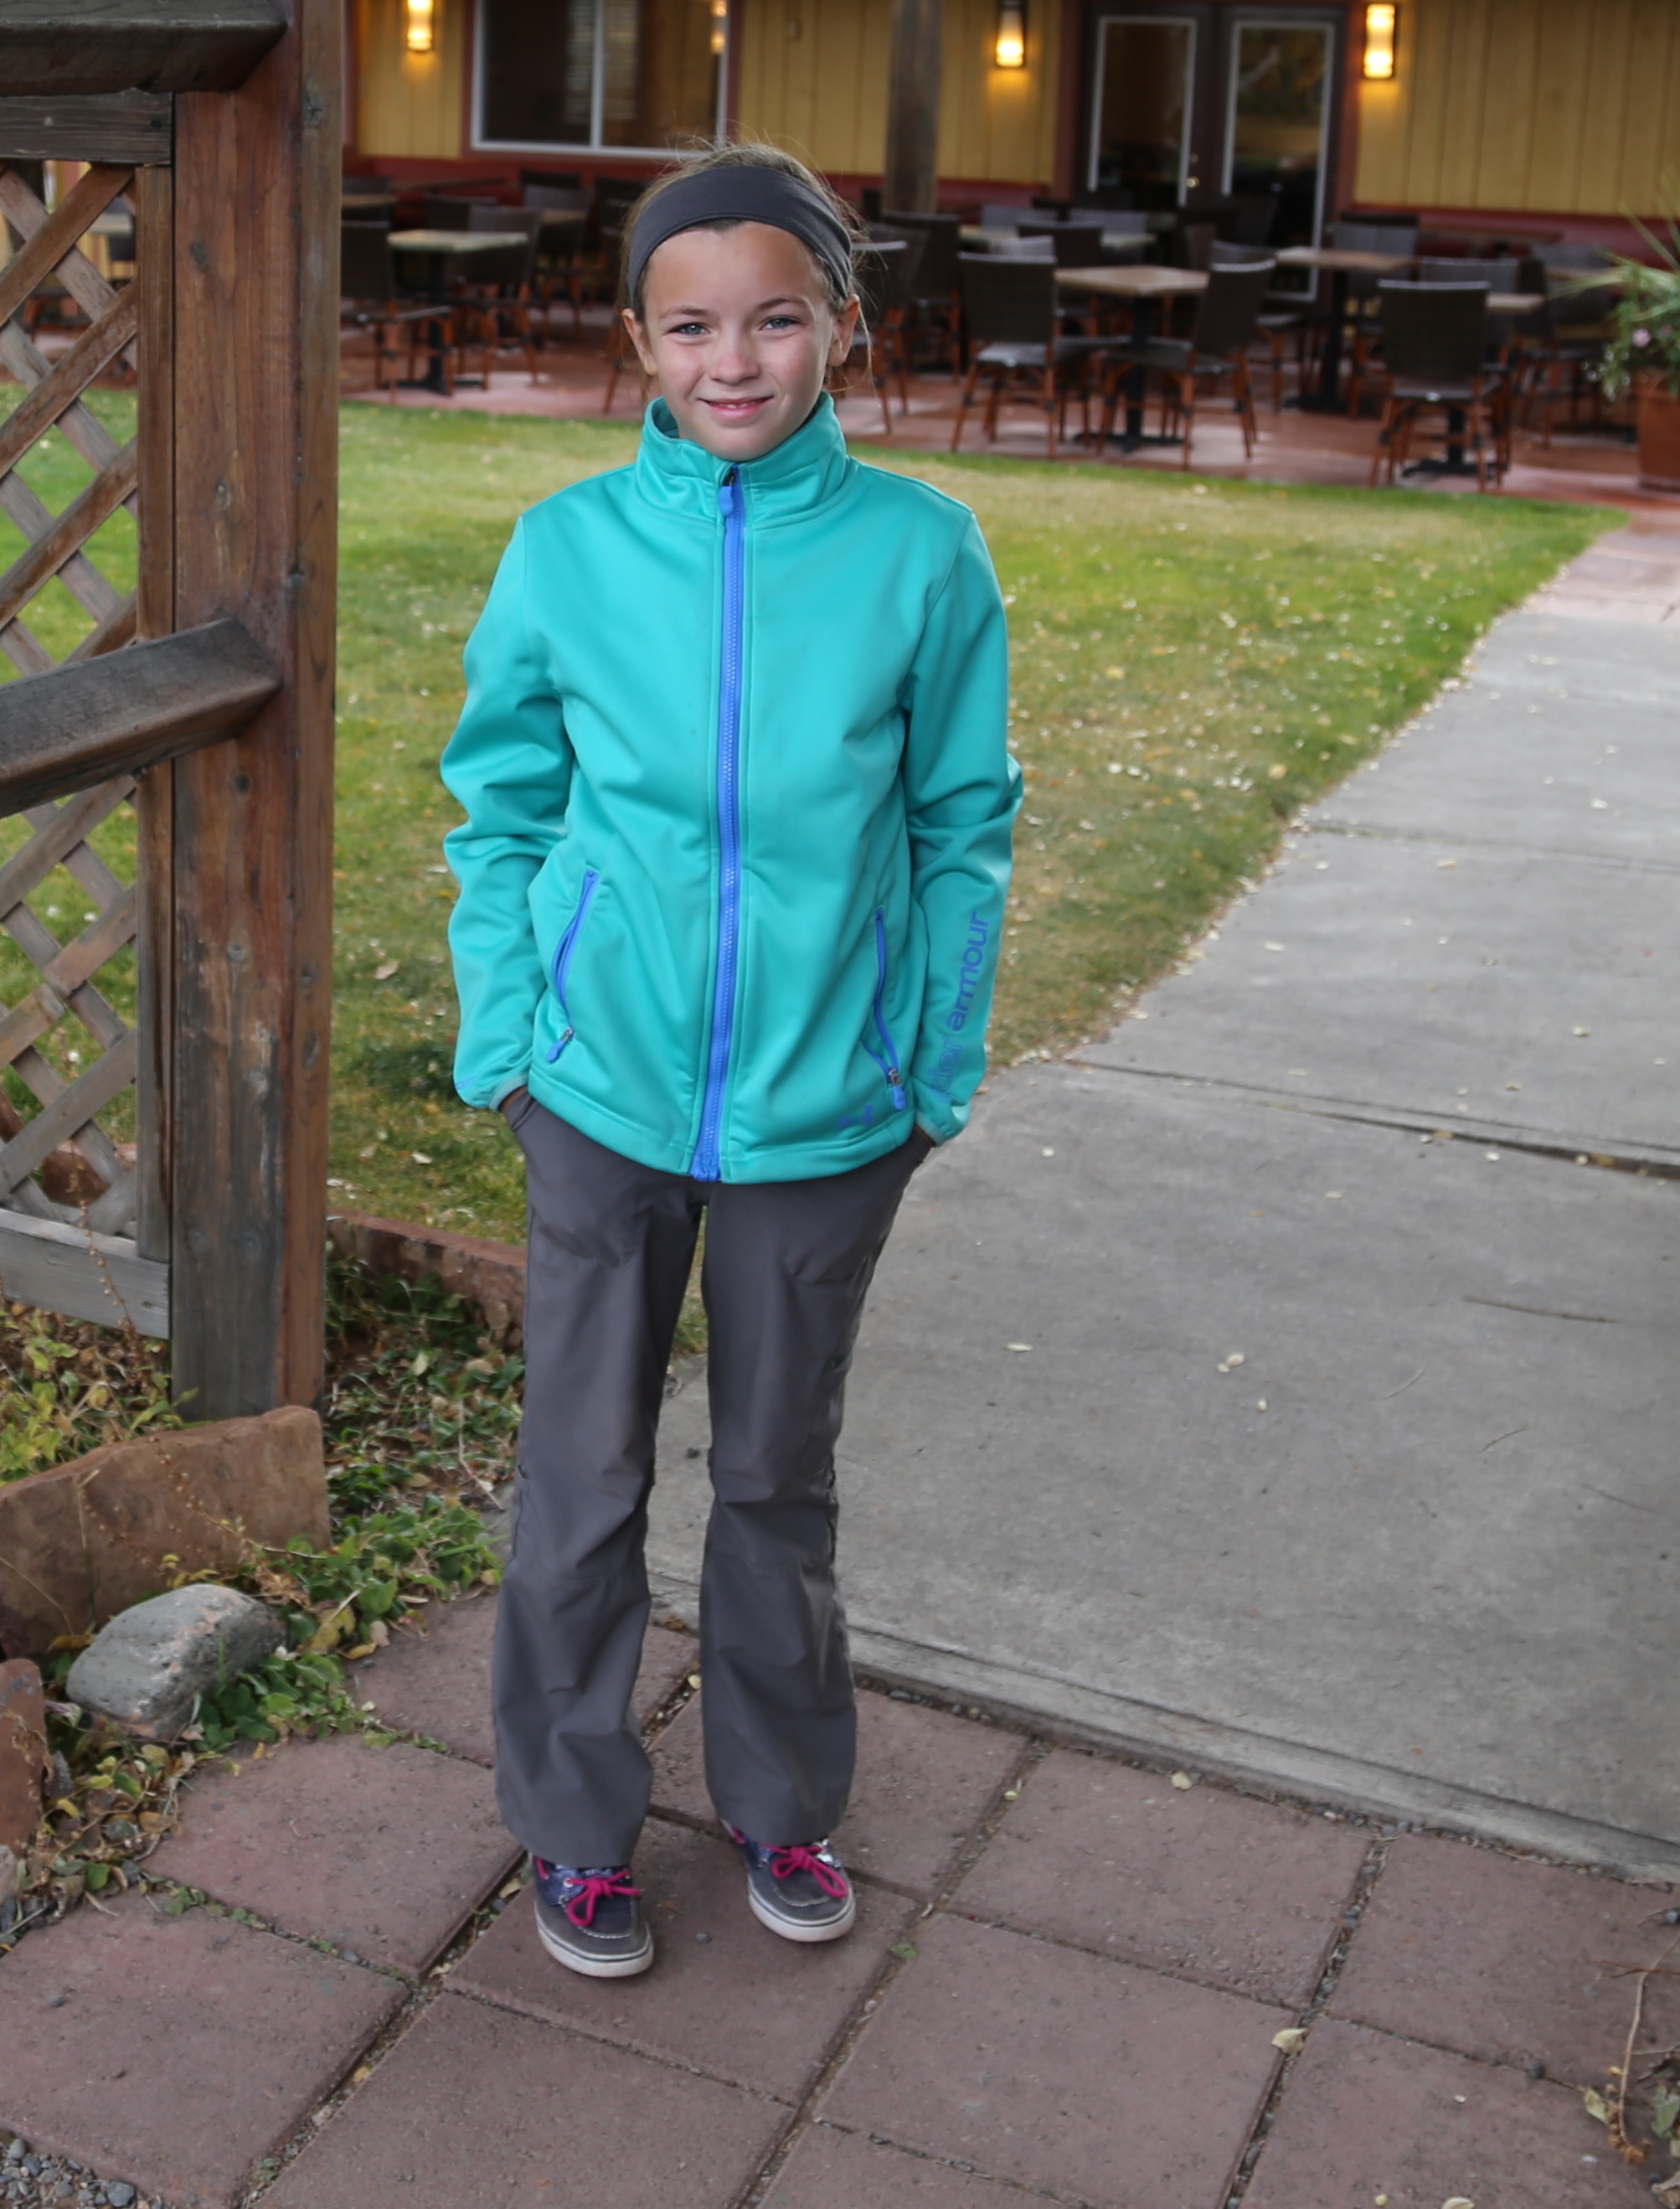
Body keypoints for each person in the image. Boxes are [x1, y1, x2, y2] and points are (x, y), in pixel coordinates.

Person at [438, 143, 1023, 1981]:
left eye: (777, 317)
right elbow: (501, 801)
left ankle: (783, 1804)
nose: (735, 360)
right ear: (639, 341)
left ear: (844, 326)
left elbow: (963, 821)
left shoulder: (925, 556)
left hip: (827, 1115)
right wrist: (509, 1036)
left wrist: (924, 1066)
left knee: (777, 1477)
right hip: (600, 1100)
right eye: (691, 325)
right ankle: (574, 1825)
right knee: (583, 1474)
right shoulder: (568, 551)